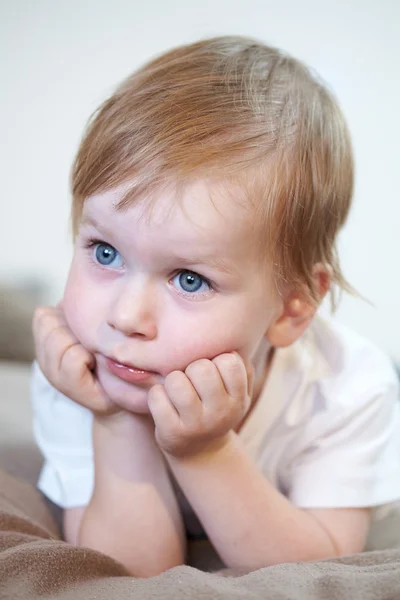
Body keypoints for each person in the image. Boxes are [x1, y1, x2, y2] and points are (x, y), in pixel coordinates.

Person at [31, 36, 400, 577]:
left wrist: (204, 449)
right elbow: (132, 574)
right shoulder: (77, 367)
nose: (125, 317)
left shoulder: (346, 391)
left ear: (290, 308)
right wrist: (114, 419)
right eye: (105, 252)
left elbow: (321, 572)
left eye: (189, 279)